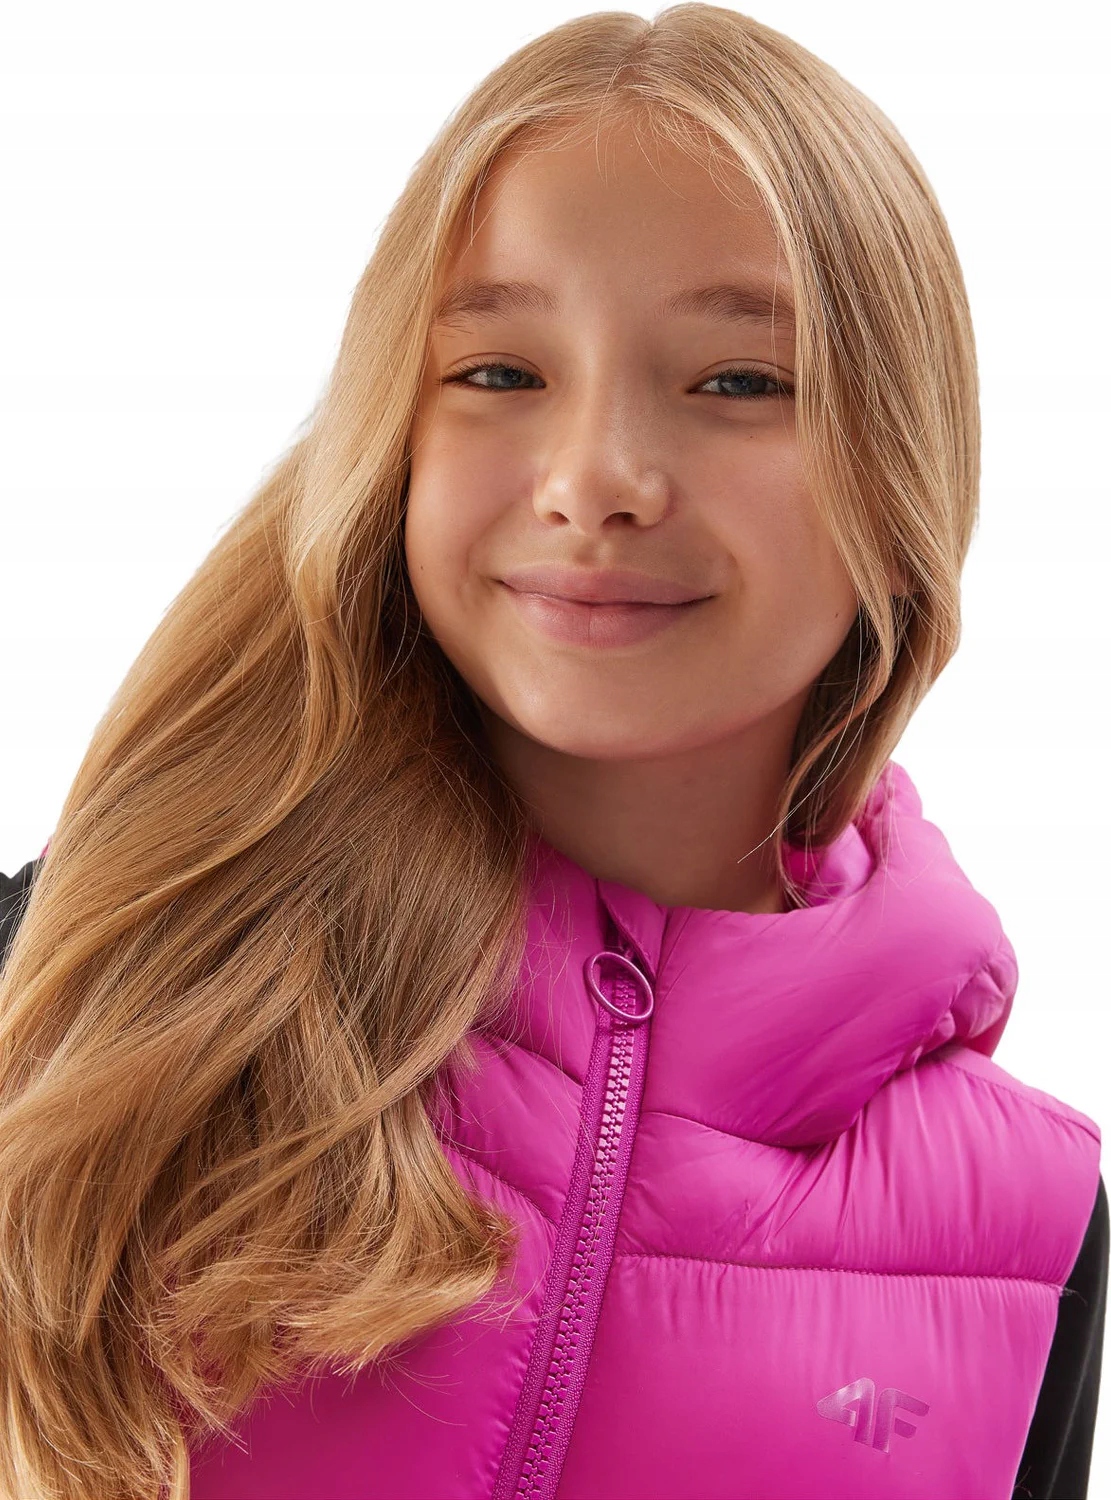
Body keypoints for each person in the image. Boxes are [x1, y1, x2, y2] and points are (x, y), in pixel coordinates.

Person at [0, 7, 1103, 1499]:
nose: (593, 482)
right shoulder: (74, 993)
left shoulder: (1030, 1225)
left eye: (739, 381)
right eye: (500, 373)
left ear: (902, 485)